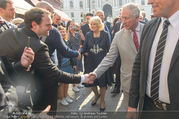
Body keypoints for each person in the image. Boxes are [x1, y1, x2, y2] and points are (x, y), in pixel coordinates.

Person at [0, 8, 94, 114]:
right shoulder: (38, 46)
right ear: (34, 25)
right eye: (47, 25)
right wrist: (83, 78)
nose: (51, 28)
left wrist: (20, 65)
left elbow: (5, 65)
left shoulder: (8, 32)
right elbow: (54, 74)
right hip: (27, 95)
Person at [127, 0, 179, 119]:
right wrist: (132, 105)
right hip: (147, 108)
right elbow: (138, 66)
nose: (149, 1)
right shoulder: (149, 26)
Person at [88, 3, 144, 110]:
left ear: (137, 18)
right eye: (122, 17)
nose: (123, 21)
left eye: (126, 18)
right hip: (129, 83)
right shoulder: (118, 36)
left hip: (148, 84)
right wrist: (95, 73)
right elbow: (109, 58)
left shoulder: (148, 30)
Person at [80, 16, 113, 112]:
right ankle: (96, 95)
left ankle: (102, 100)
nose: (92, 26)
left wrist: (110, 61)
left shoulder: (105, 34)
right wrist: (80, 51)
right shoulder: (88, 34)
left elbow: (109, 48)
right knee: (91, 82)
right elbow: (84, 47)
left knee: (102, 83)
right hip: (91, 61)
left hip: (102, 62)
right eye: (91, 24)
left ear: (99, 25)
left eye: (94, 24)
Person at [57, 26, 74, 106]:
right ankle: (62, 98)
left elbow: (70, 53)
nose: (62, 33)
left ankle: (66, 96)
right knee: (62, 84)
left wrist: (73, 64)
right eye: (60, 32)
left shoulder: (67, 41)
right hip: (61, 66)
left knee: (67, 82)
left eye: (63, 31)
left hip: (68, 65)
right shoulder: (56, 43)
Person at [66, 20, 85, 92]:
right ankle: (74, 85)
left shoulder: (77, 33)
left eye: (73, 25)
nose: (72, 26)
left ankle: (77, 82)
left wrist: (80, 30)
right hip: (72, 50)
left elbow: (83, 39)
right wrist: (68, 30)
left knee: (78, 67)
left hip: (78, 50)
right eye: (70, 25)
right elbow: (67, 39)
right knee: (74, 68)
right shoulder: (68, 34)